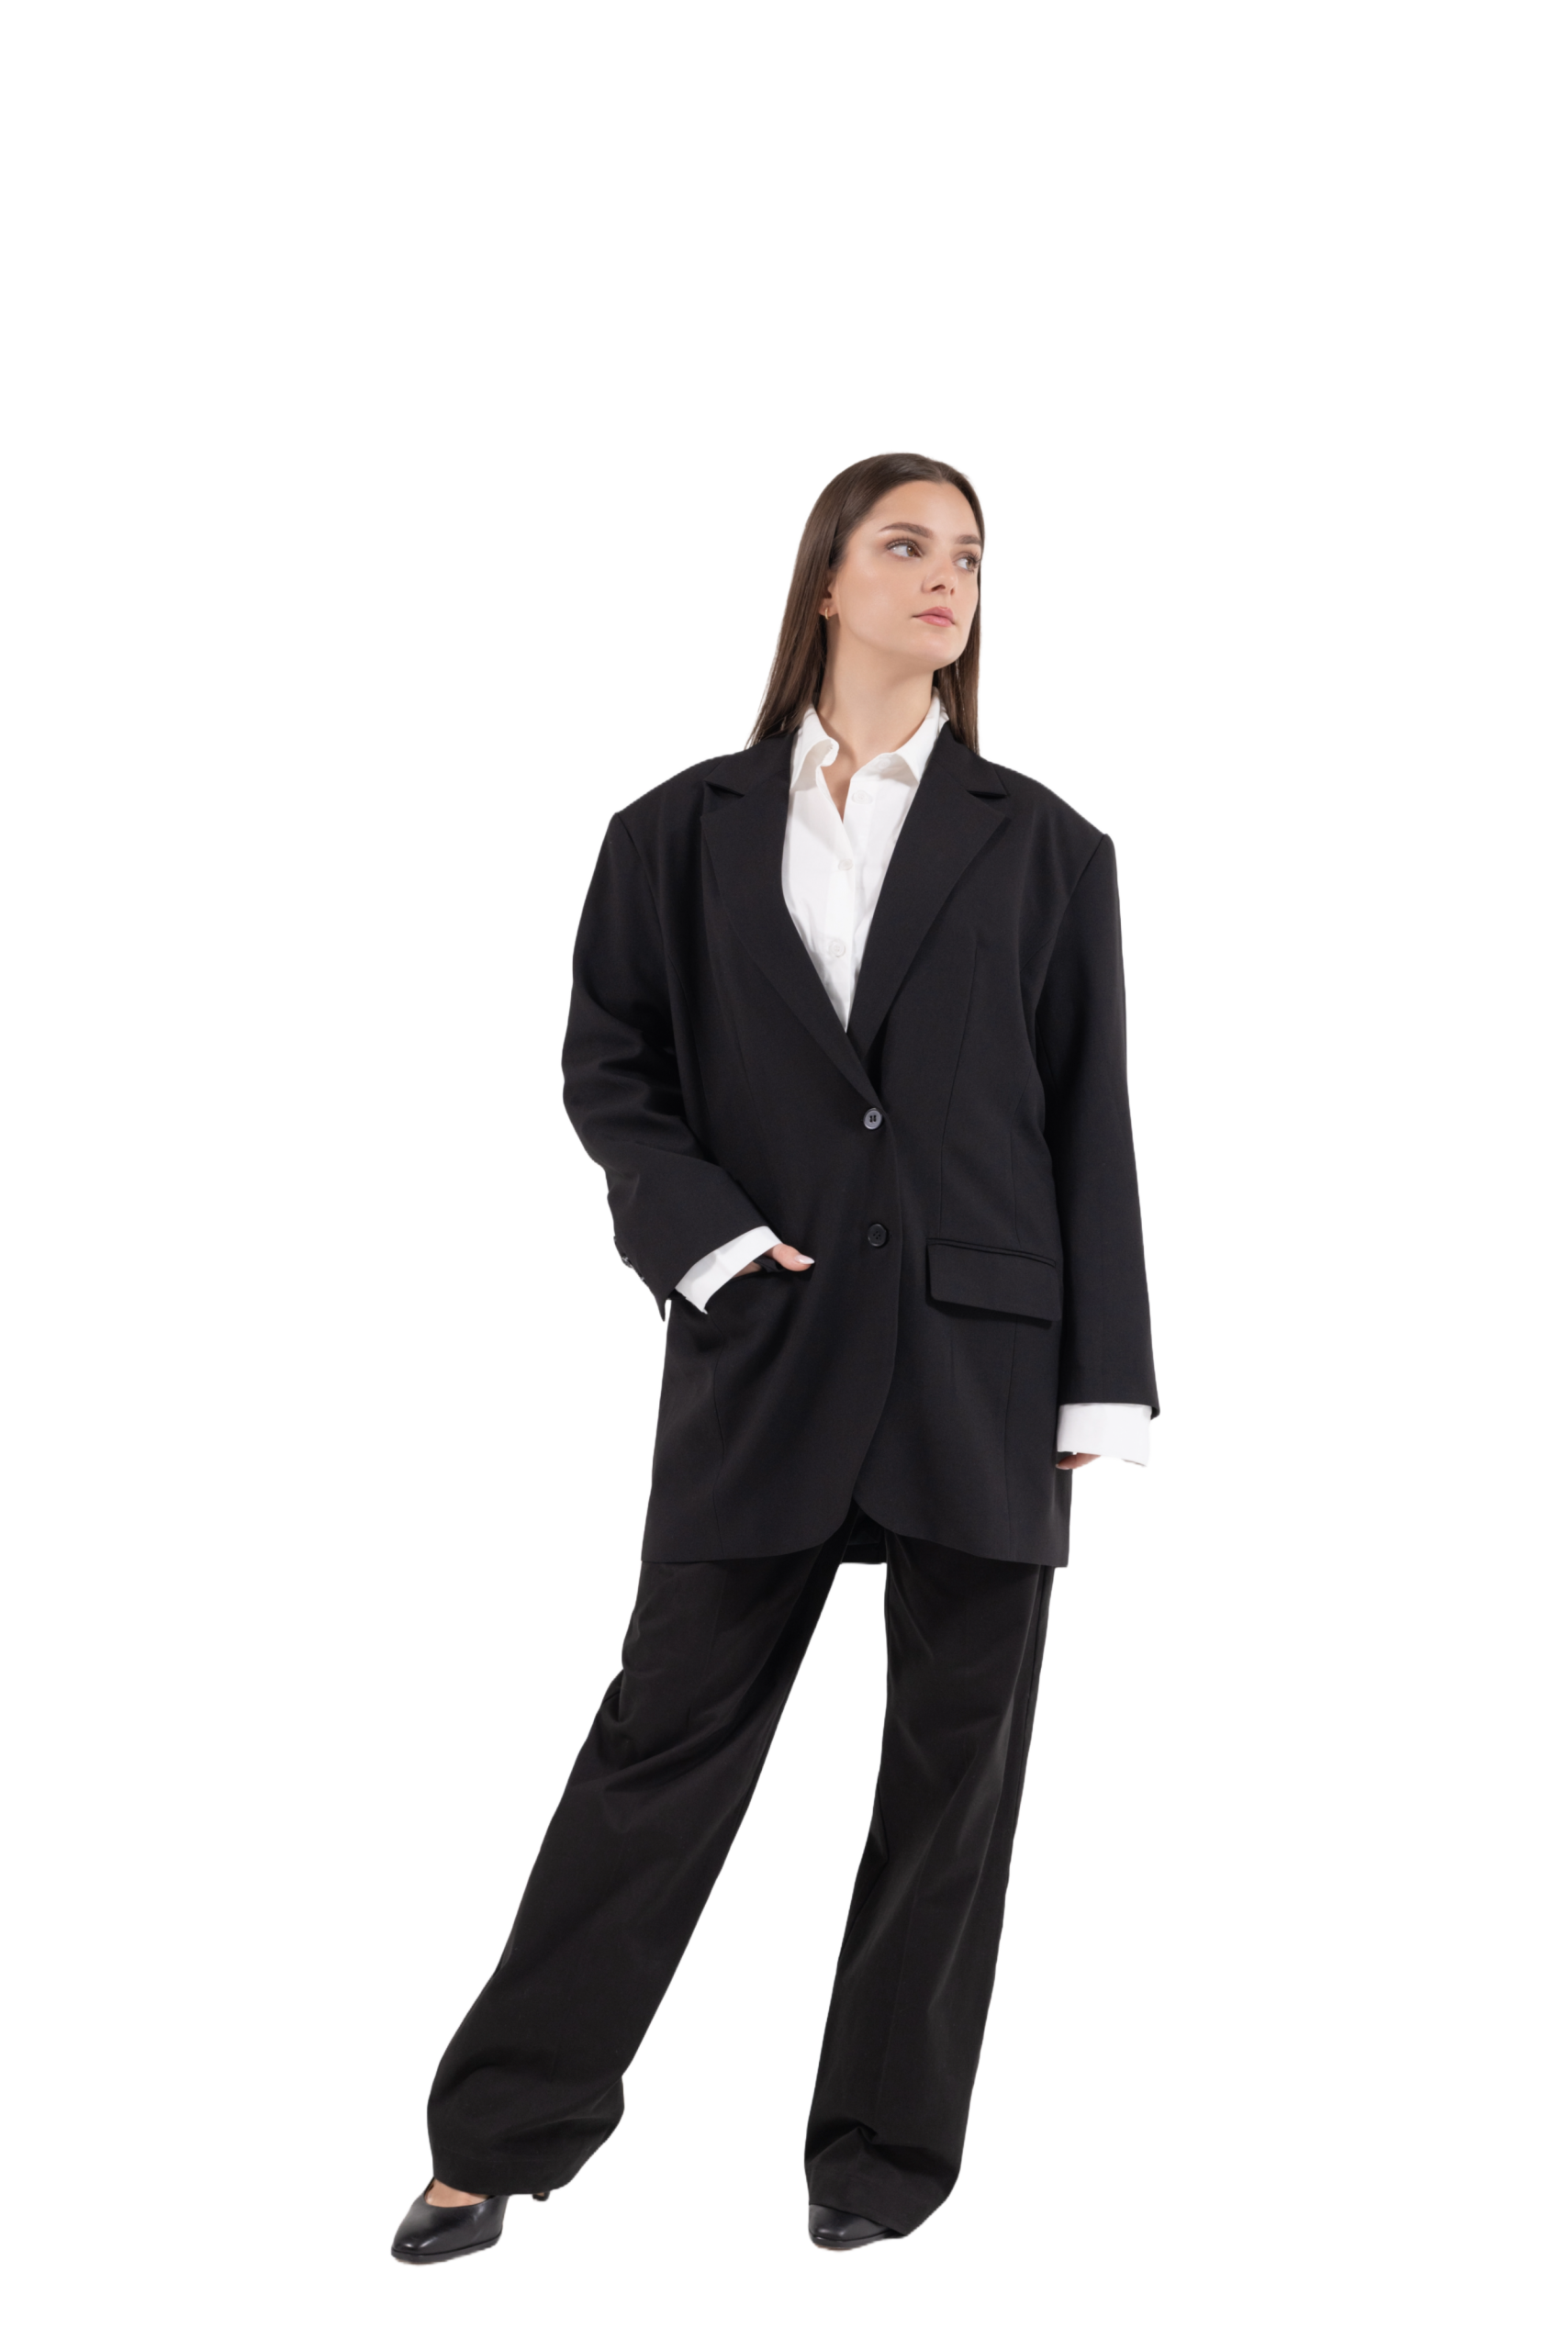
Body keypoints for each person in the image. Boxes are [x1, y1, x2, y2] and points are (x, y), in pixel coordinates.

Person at [389, 450, 1159, 2266]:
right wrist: (709, 1242)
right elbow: (607, 1066)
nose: (946, 576)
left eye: (968, 553)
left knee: (953, 1788)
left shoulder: (1050, 845)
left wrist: (1101, 1381)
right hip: (764, 1338)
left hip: (983, 1357)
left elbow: (1089, 1121)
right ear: (825, 578)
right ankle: (495, 2137)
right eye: (905, 545)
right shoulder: (673, 830)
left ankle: (876, 2161)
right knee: (659, 1742)